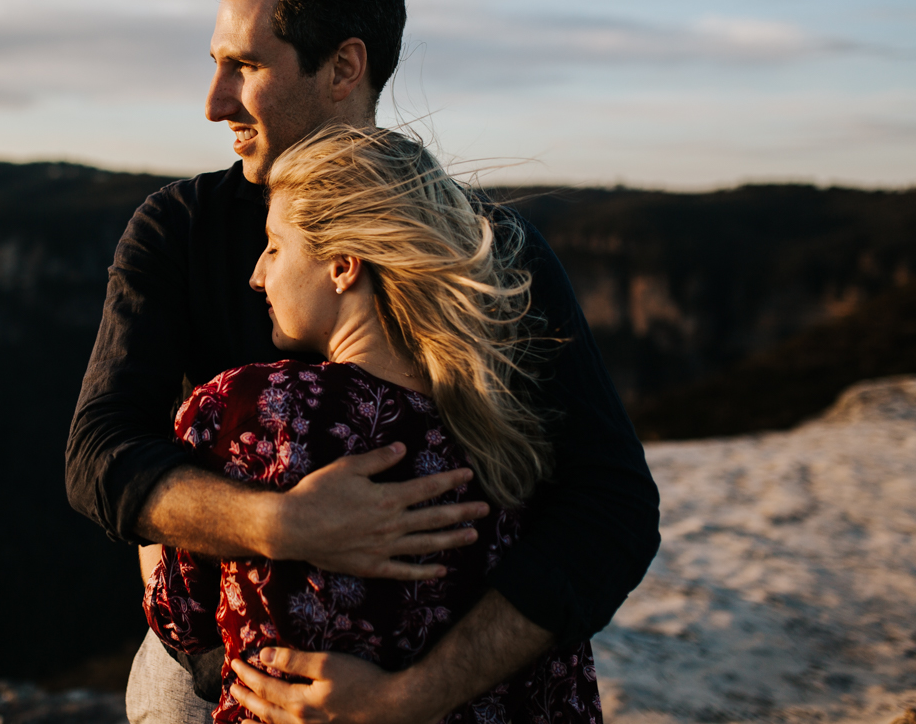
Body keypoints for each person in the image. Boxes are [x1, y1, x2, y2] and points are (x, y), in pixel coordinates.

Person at [65, 0, 659, 724]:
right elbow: (101, 455)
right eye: (216, 64)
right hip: (223, 671)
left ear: (344, 66)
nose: (213, 102)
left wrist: (409, 697)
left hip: (448, 672)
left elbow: (612, 506)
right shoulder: (181, 229)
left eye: (244, 65)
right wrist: (286, 524)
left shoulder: (490, 251)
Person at [143, 124, 600, 724]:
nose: (257, 274)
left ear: (342, 265)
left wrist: (174, 454)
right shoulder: (509, 431)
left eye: (275, 247)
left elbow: (179, 615)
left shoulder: (249, 412)